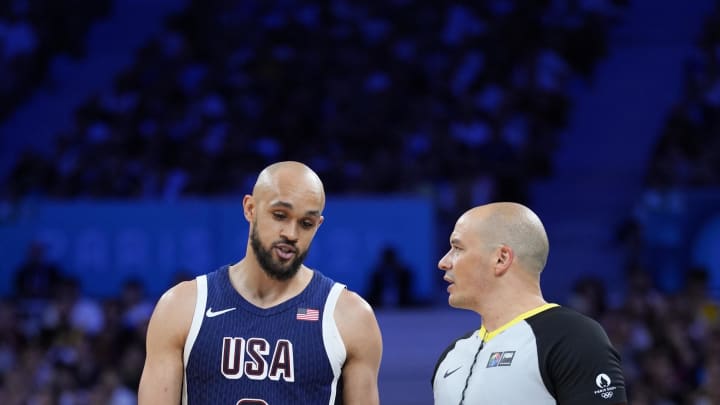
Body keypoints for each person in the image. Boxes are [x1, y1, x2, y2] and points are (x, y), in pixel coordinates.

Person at [138, 161, 383, 404]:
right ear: (250, 208)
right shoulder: (182, 307)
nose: (291, 233)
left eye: (306, 223)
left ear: (318, 225)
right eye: (279, 215)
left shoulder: (350, 317)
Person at [431, 202, 627, 405]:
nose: (443, 262)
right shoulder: (452, 355)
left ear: (501, 258)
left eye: (457, 248)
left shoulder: (573, 337)